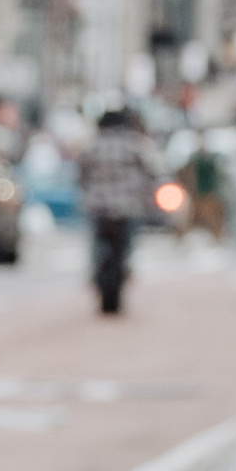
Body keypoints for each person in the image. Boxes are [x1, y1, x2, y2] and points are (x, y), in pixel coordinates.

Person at [77, 102, 155, 314]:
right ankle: (126, 267)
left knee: (96, 245)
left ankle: (95, 272)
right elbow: (152, 171)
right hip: (127, 208)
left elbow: (80, 174)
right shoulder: (134, 144)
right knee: (127, 246)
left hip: (98, 208)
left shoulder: (92, 146)